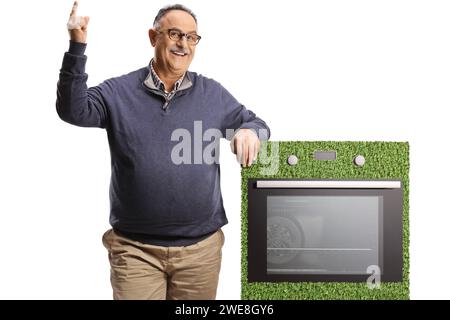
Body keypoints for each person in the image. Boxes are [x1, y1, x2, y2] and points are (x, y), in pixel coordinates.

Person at [56, 1, 270, 300]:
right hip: (135, 250)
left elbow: (255, 122)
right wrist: (77, 46)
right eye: (174, 34)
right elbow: (73, 110)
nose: (183, 44)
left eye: (191, 37)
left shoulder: (212, 94)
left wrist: (249, 131)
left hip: (201, 253)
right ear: (153, 37)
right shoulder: (118, 92)